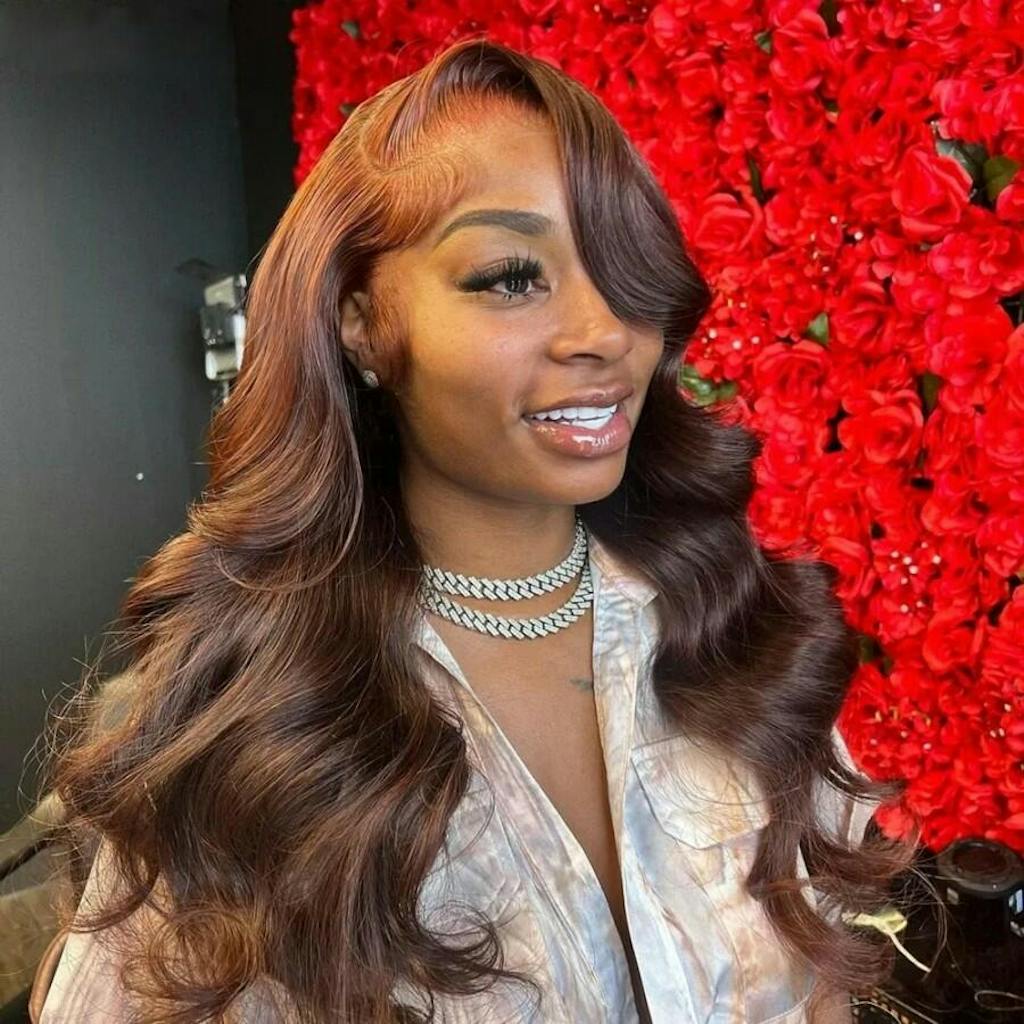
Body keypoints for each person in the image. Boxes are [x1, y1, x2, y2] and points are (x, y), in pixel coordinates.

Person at [31, 36, 919, 1024]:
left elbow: (823, 966)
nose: (604, 333)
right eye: (509, 276)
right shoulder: (253, 714)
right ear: (361, 322)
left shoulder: (731, 629)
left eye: (626, 273)